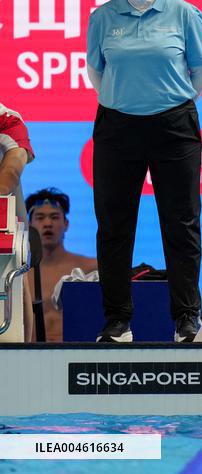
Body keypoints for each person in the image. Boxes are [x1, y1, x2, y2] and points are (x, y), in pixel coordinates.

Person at [86, 0, 202, 343]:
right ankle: (118, 321)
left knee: (181, 224)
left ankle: (186, 319)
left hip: (173, 126)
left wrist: (166, 100)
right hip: (117, 126)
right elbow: (97, 73)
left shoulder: (183, 12)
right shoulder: (102, 16)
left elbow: (201, 71)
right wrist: (129, 101)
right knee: (113, 226)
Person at [25, 188, 99, 342]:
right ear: (29, 225)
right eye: (40, 217)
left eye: (54, 217)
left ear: (66, 224)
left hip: (75, 356)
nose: (47, 223)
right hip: (30, 357)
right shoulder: (19, 275)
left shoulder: (92, 268)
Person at [0, 103, 36, 341]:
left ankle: (23, 356)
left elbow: (12, 170)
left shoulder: (8, 120)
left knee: (15, 279)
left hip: (6, 239)